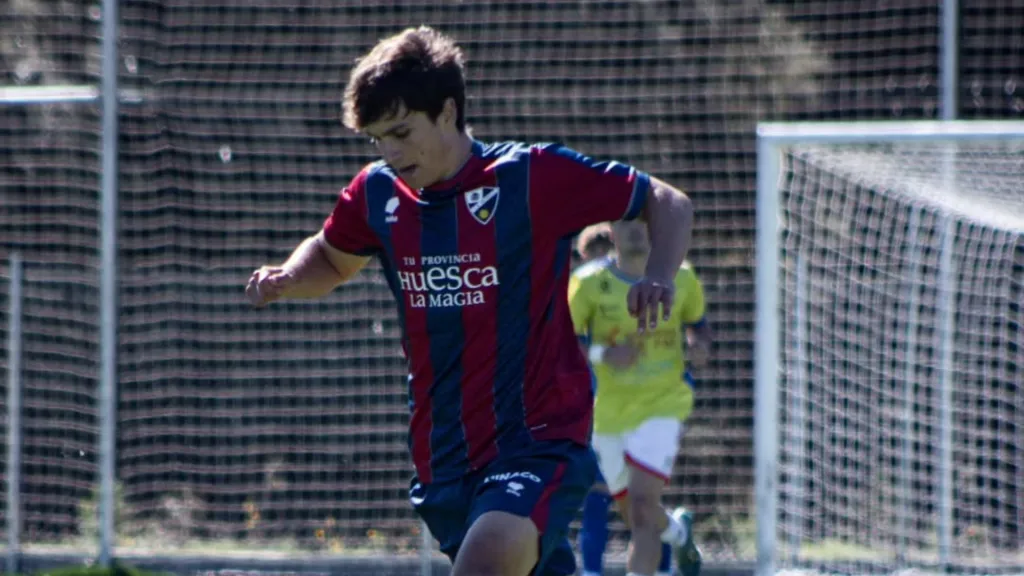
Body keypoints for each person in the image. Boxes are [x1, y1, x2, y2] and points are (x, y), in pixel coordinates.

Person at [245, 26, 694, 576]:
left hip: (539, 440)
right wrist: (290, 277)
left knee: (486, 558)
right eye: (377, 139)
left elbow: (666, 201)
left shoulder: (529, 176)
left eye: (402, 132)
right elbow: (332, 257)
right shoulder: (376, 193)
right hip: (445, 457)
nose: (390, 152)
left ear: (448, 112)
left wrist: (661, 275)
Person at [569, 219, 712, 576]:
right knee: (636, 515)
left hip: (663, 405)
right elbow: (565, 342)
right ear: (612, 230)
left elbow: (698, 327)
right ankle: (678, 533)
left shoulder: (682, 276)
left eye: (644, 221)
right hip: (609, 414)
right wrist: (604, 354)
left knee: (644, 507)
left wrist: (699, 347)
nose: (635, 229)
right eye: (626, 221)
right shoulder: (588, 283)